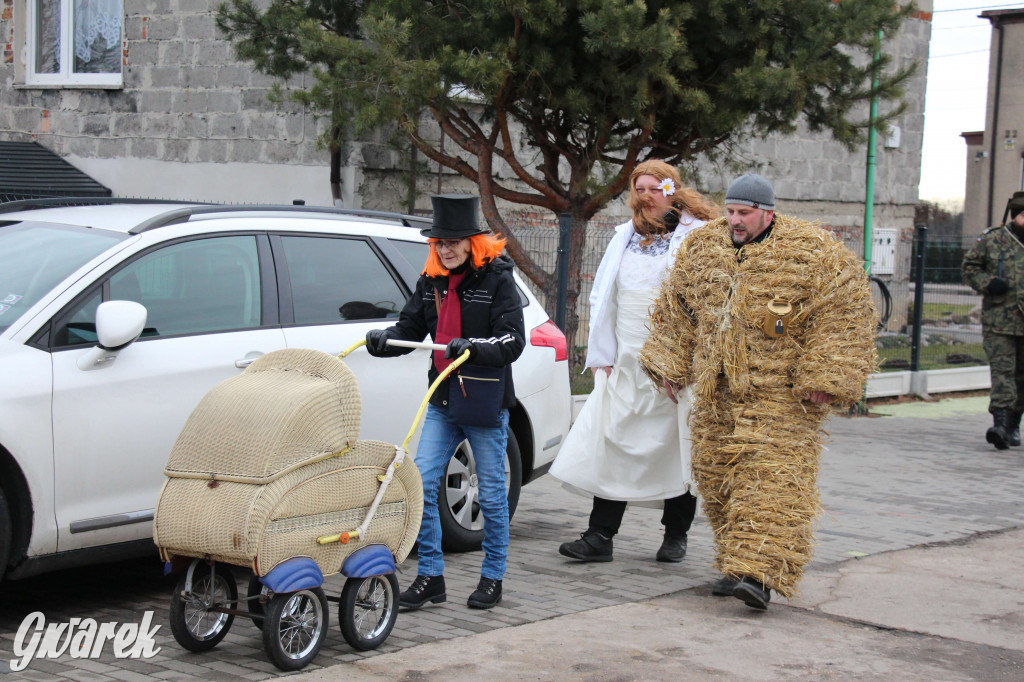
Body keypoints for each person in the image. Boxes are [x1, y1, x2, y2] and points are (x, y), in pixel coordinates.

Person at [638, 173, 877, 610]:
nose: (735, 220)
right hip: (716, 391)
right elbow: (678, 309)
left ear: (768, 212)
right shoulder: (704, 249)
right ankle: (737, 562)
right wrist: (669, 364)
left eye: (744, 213)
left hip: (781, 394)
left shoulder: (811, 253)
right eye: (730, 211)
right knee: (717, 476)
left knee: (771, 481)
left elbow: (844, 313)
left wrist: (825, 376)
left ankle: (759, 573)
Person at [550, 160, 717, 563]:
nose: (645, 196)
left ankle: (675, 535)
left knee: (677, 449)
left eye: (653, 188)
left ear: (671, 189)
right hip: (626, 363)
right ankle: (599, 536)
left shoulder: (697, 237)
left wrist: (683, 364)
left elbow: (704, 304)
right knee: (615, 444)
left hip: (675, 367)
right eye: (639, 188)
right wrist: (602, 354)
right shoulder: (624, 236)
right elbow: (605, 297)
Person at [364, 194, 525, 611]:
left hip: (483, 404)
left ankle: (493, 577)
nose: (446, 249)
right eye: (439, 242)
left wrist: (472, 346)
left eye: (453, 241)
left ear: (474, 241)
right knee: (424, 485)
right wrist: (383, 341)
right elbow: (410, 328)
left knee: (490, 495)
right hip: (442, 399)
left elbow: (512, 342)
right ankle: (431, 576)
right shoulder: (430, 281)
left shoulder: (497, 279)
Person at [962, 190, 1024, 450]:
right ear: (1017, 215)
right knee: (1002, 373)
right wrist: (988, 283)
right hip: (1000, 321)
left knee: (1021, 377)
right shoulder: (993, 240)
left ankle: (1012, 426)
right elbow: (969, 268)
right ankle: (998, 424)